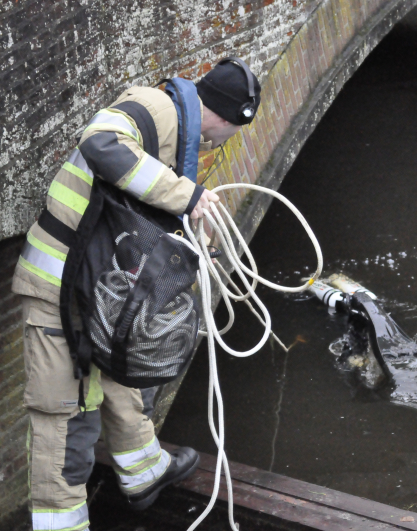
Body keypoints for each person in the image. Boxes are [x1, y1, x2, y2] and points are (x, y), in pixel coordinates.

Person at [11, 58, 261, 531]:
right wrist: (185, 196)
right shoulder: (154, 109)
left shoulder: (178, 137)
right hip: (55, 289)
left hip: (93, 289)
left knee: (124, 370)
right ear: (231, 118)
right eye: (232, 131)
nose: (221, 143)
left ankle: (143, 469)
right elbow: (100, 142)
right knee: (64, 422)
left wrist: (195, 232)